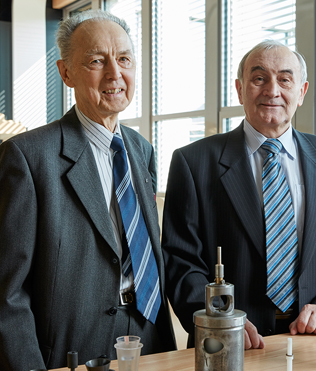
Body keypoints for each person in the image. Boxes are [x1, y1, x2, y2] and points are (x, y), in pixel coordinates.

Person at [0, 10, 176, 370]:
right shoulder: (28, 156)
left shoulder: (142, 150)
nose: (115, 73)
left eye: (124, 59)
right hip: (71, 350)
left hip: (151, 340)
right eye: (97, 60)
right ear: (66, 72)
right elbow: (8, 293)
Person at [162, 40, 316, 349]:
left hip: (315, 340)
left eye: (285, 79)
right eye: (259, 78)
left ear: (302, 91)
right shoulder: (192, 162)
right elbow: (180, 261)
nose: (272, 90)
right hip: (228, 344)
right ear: (240, 89)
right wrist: (219, 319)